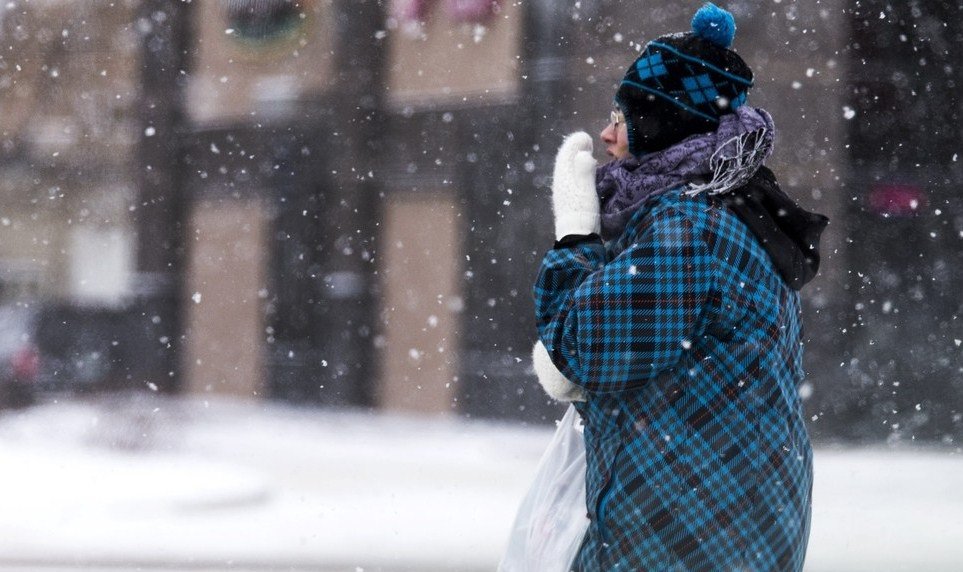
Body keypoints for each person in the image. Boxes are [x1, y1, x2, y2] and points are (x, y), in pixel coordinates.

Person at [530, 3, 829, 571]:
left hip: (684, 534)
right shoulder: (730, 209)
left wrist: (573, 237)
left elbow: (583, 348)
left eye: (621, 116)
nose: (606, 133)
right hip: (727, 523)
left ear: (660, 123)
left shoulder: (690, 230)